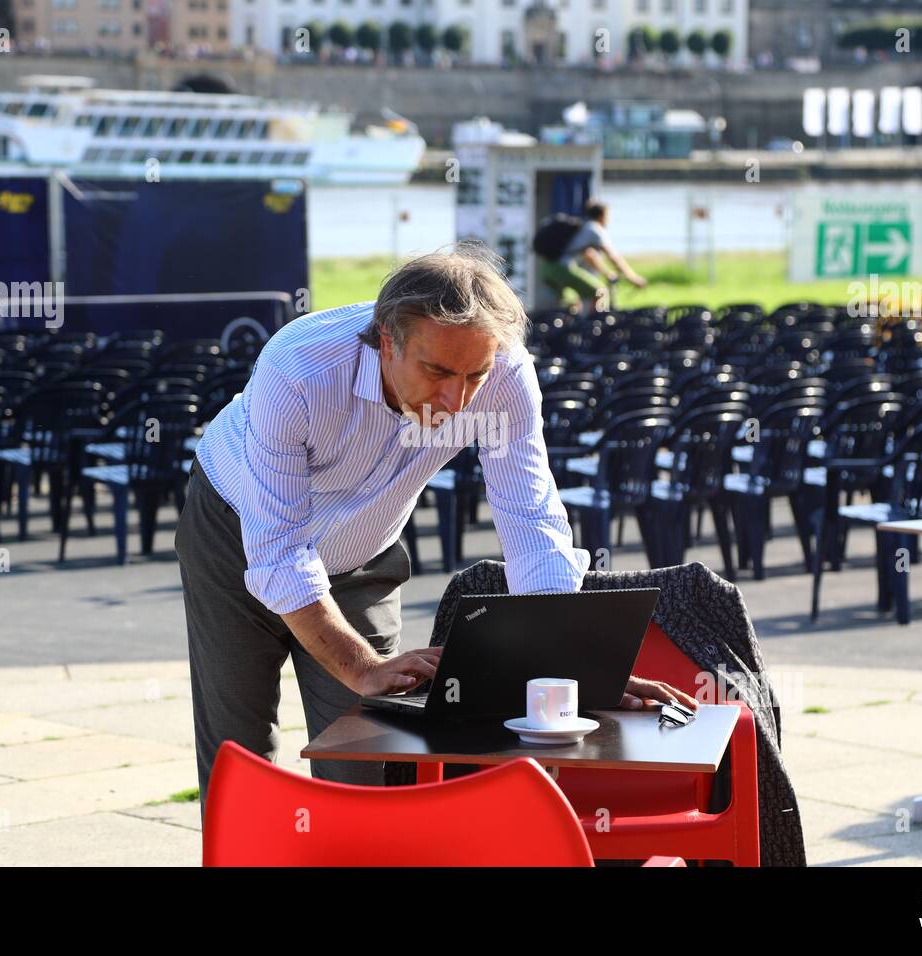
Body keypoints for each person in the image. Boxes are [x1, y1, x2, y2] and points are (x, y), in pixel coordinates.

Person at [174, 243, 697, 813]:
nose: (456, 398)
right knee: (238, 750)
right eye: (438, 371)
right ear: (386, 340)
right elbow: (277, 552)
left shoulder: (507, 374)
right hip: (234, 534)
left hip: (361, 552)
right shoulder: (297, 368)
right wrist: (360, 665)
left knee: (366, 756)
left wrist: (572, 671)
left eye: (475, 374)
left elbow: (532, 522)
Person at [538, 199, 647, 315]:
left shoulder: (582, 227)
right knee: (599, 292)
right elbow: (614, 257)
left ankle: (570, 326)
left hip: (547, 268)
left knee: (569, 304)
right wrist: (633, 278)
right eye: (608, 216)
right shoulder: (595, 229)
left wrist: (606, 273)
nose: (609, 220)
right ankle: (591, 328)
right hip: (562, 268)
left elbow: (590, 255)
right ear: (602, 216)